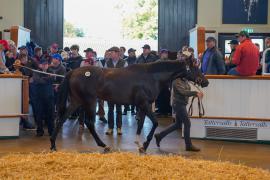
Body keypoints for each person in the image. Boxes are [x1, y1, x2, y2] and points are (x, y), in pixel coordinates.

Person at [154, 73, 203, 152]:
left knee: (177, 124)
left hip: (181, 104)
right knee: (187, 123)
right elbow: (183, 92)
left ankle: (159, 136)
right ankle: (188, 145)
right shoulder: (176, 81)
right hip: (178, 104)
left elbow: (186, 92)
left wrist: (194, 95)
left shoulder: (185, 80)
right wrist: (195, 93)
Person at [80, 48, 107, 124]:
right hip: (86, 85)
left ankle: (101, 116)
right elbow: (82, 74)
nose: (86, 54)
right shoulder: (83, 62)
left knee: (100, 101)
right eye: (86, 53)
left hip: (97, 84)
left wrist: (92, 69)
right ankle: (84, 120)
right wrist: (87, 70)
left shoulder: (97, 61)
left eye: (88, 52)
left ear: (92, 53)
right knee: (87, 102)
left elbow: (103, 71)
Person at [105, 46, 128, 136]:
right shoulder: (108, 62)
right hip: (110, 89)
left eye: (112, 53)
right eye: (110, 53)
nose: (110, 54)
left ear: (117, 53)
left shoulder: (124, 63)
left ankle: (119, 128)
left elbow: (126, 76)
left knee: (119, 109)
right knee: (110, 109)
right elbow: (105, 75)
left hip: (119, 90)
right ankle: (110, 127)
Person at [33, 59, 55, 136]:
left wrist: (46, 79)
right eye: (43, 64)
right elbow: (38, 81)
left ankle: (51, 131)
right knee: (39, 115)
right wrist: (48, 78)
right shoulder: (36, 72)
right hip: (39, 97)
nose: (45, 65)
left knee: (50, 115)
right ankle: (40, 131)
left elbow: (53, 79)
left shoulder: (51, 71)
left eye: (46, 64)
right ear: (40, 65)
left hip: (49, 97)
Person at [155, 49, 171, 116]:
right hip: (159, 82)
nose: (165, 54)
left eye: (166, 53)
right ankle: (161, 110)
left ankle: (167, 110)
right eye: (164, 53)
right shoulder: (157, 62)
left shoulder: (170, 62)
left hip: (167, 82)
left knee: (167, 97)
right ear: (161, 54)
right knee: (159, 97)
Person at [122, 48, 137, 115]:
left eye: (134, 52)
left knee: (134, 96)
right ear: (129, 53)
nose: (133, 53)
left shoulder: (137, 60)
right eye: (132, 52)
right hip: (127, 80)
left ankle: (133, 110)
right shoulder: (125, 61)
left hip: (135, 80)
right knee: (126, 96)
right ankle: (125, 110)